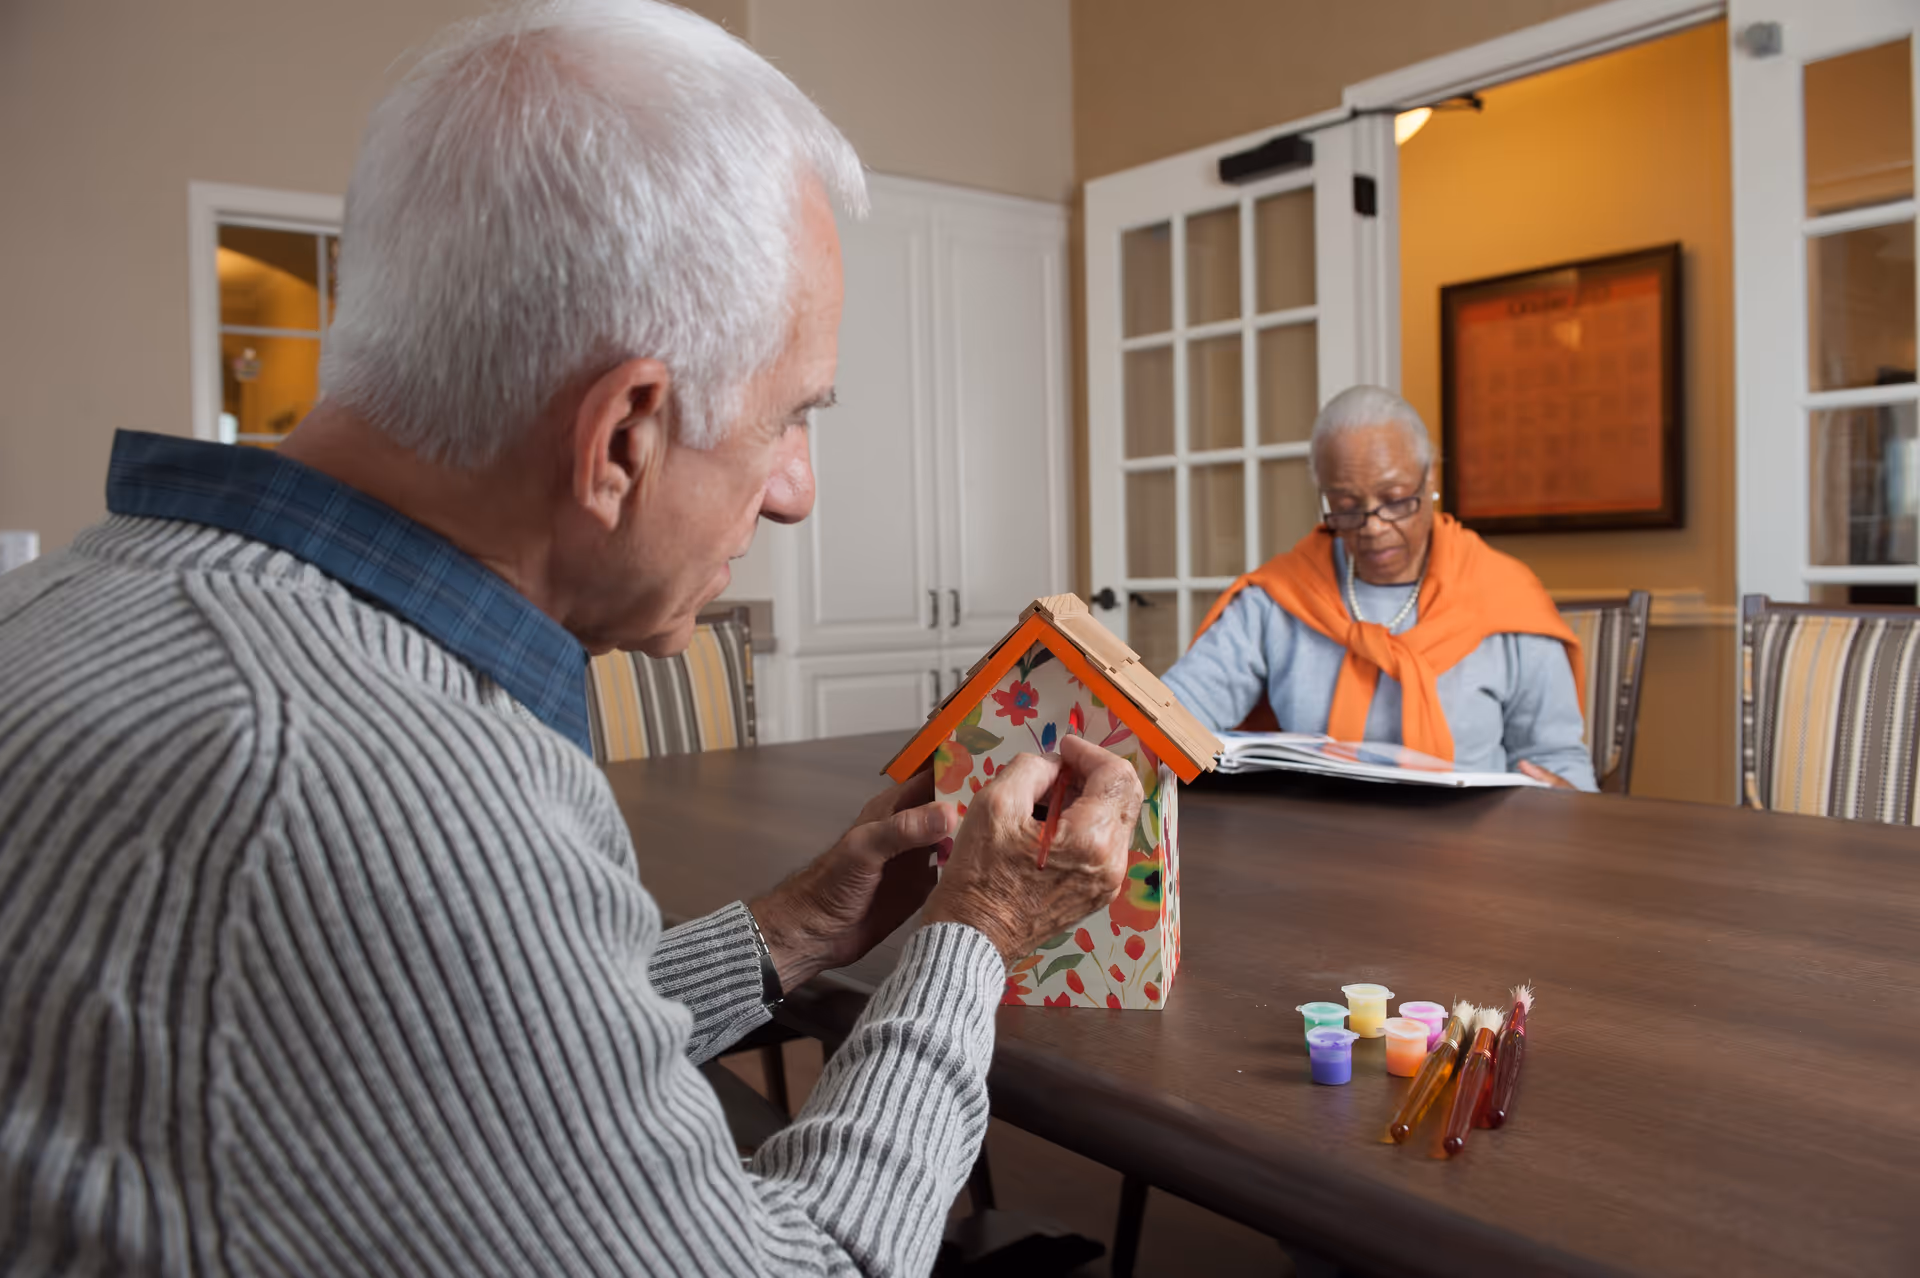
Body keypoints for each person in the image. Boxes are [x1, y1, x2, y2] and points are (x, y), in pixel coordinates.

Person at [0, 4, 1142, 1275]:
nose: (797, 490)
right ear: (624, 437)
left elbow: (441, 1041)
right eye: (790, 418)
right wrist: (976, 934)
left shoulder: (68, 604)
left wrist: (782, 935)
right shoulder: (396, 790)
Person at [1164, 385, 1596, 790]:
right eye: (1346, 508)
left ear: (1429, 481)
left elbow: (1554, 760)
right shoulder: (1277, 599)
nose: (1372, 527)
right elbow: (1176, 715)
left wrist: (1565, 798)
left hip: (1475, 853)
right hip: (1314, 843)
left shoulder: (1505, 596)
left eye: (1394, 500)